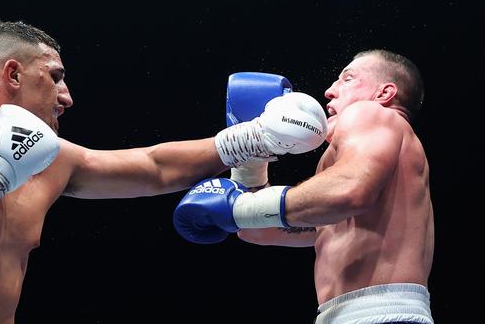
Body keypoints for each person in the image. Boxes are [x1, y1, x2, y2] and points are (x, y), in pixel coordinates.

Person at [0, 20, 327, 324]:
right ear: (13, 74)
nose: (68, 96)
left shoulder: (53, 158)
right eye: (56, 76)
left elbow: (153, 168)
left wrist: (255, 138)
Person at [173, 49, 434, 324]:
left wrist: (239, 207)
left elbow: (350, 191)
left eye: (347, 78)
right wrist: (251, 158)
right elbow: (256, 230)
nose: (330, 91)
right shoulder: (360, 185)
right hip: (347, 314)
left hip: (380, 313)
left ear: (384, 93)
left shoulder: (372, 114)